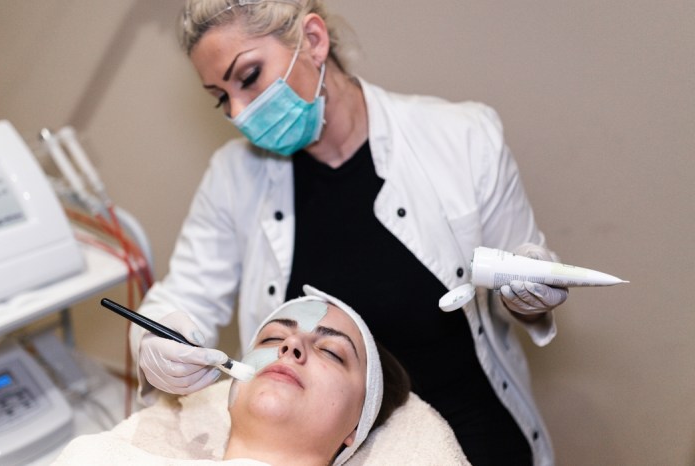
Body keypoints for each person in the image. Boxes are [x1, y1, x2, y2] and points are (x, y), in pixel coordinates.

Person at [131, 1, 568, 464]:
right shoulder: (232, 179)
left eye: (249, 76)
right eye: (221, 96)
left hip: (477, 433)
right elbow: (181, 300)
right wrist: (159, 342)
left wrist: (529, 297)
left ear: (314, 41)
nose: (238, 112)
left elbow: (523, 274)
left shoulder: (463, 137)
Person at [55, 287, 418, 465]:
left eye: (331, 352)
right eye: (274, 337)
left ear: (356, 428)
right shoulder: (97, 457)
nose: (290, 345)